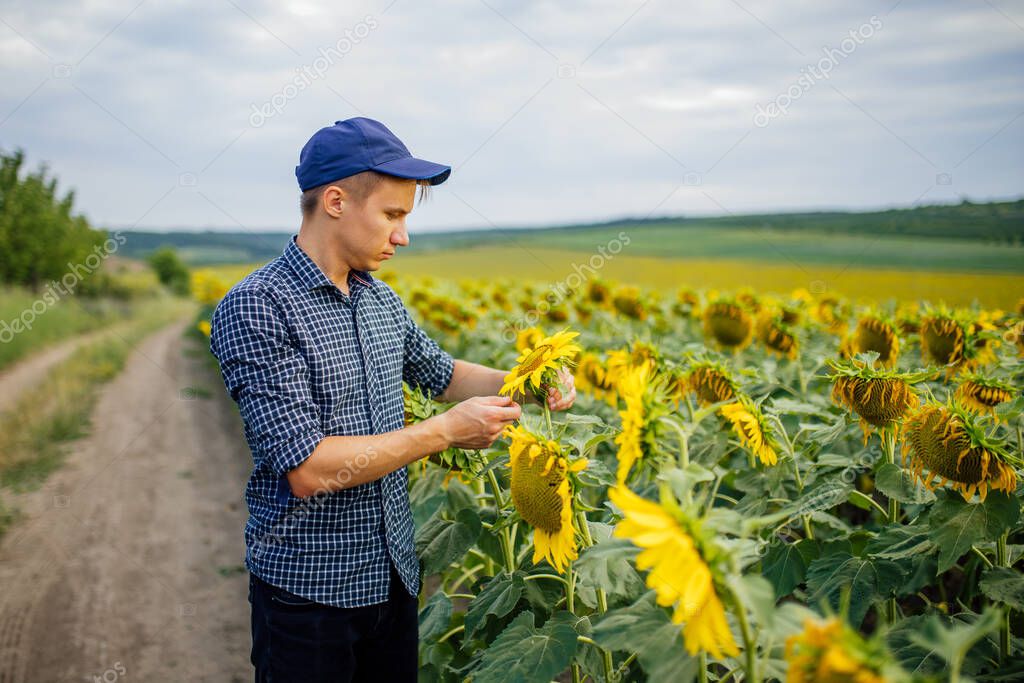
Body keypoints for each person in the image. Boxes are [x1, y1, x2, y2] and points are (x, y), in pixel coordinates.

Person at [208, 117, 576, 683]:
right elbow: (308, 468)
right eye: (393, 214)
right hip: (310, 596)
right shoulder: (259, 306)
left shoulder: (379, 300)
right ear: (335, 201)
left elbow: (445, 374)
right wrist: (445, 432)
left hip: (392, 579)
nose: (402, 235)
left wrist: (527, 380)